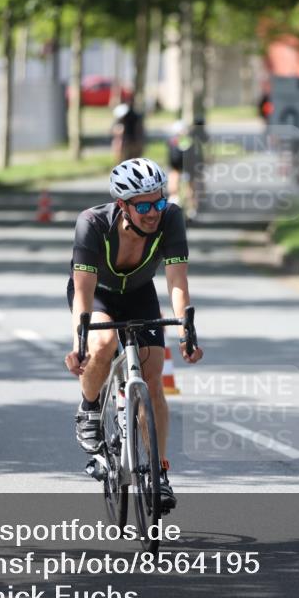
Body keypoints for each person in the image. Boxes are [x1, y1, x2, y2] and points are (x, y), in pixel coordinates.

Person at [65, 157, 204, 510]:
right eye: (143, 205)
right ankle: (90, 408)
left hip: (140, 294)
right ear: (122, 205)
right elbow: (83, 291)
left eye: (158, 201)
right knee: (104, 342)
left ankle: (159, 473)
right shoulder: (92, 223)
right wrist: (78, 343)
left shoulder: (171, 217)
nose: (154, 212)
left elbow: (177, 280)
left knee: (153, 379)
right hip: (98, 292)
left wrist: (186, 330)